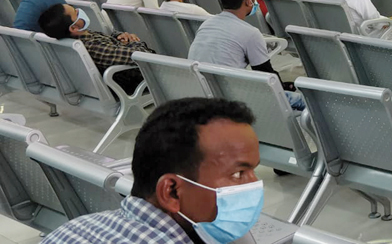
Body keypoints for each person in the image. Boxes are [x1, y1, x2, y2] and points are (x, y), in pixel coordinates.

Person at [40, 98, 265, 244]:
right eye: (238, 175)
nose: (255, 185)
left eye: (254, 171)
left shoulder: (79, 226)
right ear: (172, 192)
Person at [188, 0, 303, 110]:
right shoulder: (251, 33)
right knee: (303, 101)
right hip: (231, 100)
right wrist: (282, 86)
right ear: (248, 1)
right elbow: (266, 76)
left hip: (199, 94)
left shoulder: (206, 24)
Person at [38, 3, 149, 94]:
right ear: (74, 27)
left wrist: (119, 37)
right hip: (141, 78)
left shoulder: (82, 37)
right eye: (75, 13)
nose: (78, 10)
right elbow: (141, 55)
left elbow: (107, 39)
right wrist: (134, 42)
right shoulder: (92, 47)